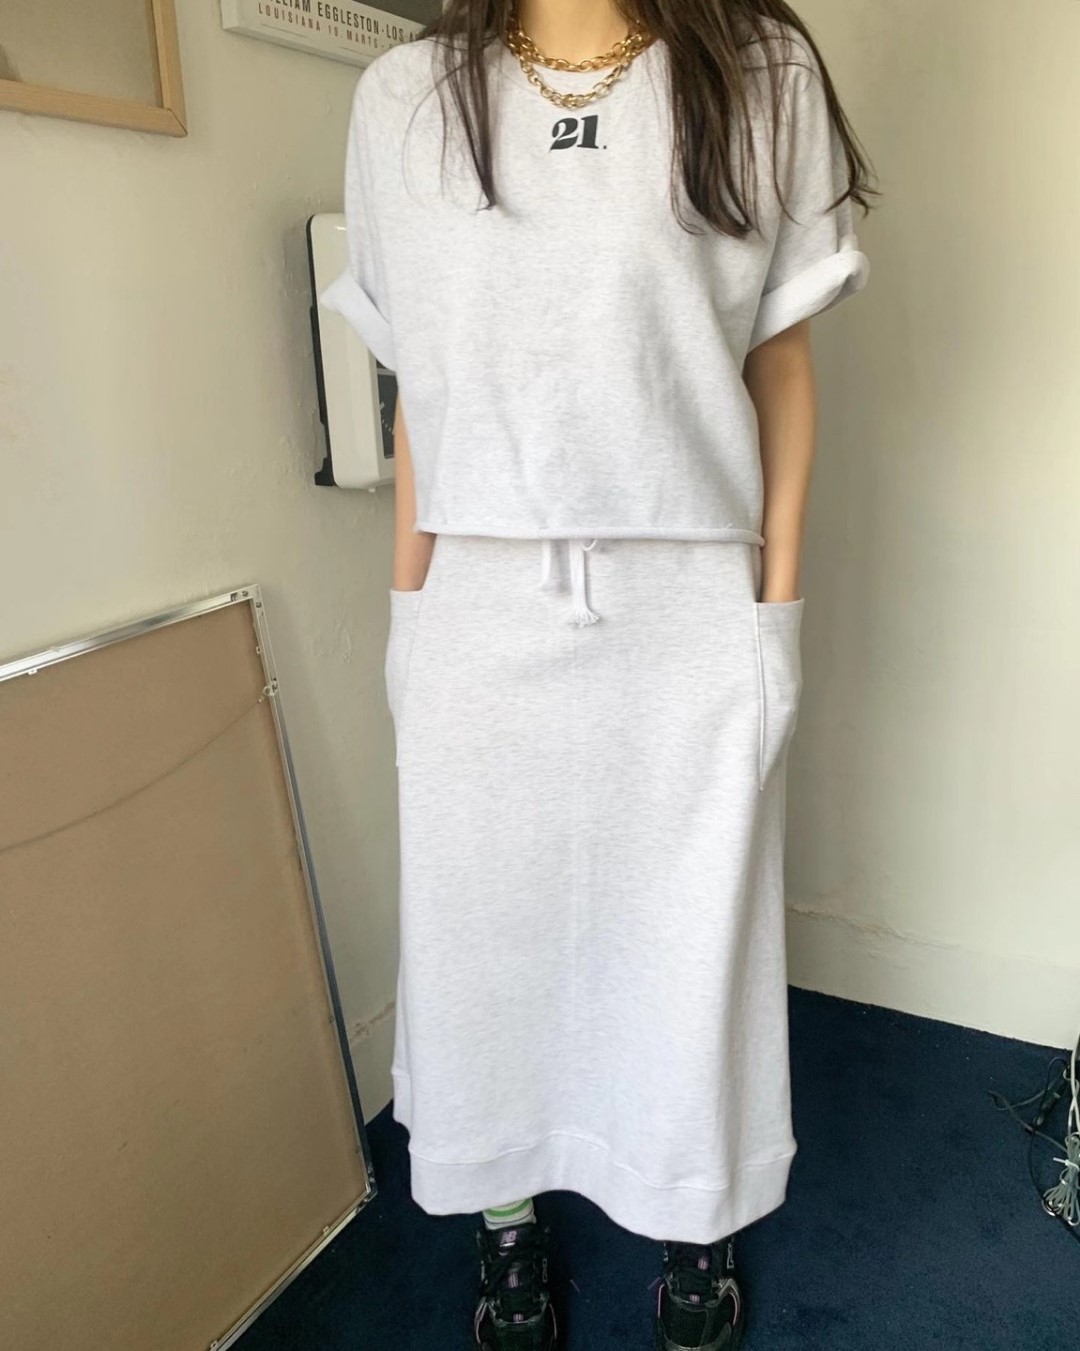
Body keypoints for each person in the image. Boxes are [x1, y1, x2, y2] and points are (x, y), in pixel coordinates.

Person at [321, 1, 874, 1347]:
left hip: (686, 595)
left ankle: (694, 1211)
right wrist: (410, 610)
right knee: (479, 937)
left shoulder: (758, 74)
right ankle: (504, 1214)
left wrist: (773, 608)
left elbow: (780, 365)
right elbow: (418, 391)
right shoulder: (403, 95)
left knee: (691, 935)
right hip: (476, 598)